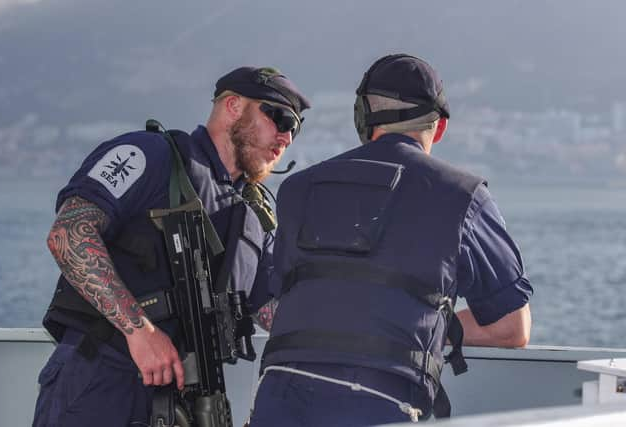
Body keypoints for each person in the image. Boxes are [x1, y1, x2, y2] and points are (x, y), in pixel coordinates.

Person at [248, 54, 533, 426]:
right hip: (379, 404)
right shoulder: (463, 196)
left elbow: (281, 303)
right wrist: (415, 328)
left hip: (277, 397)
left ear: (361, 119)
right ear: (441, 127)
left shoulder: (297, 189)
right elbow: (512, 327)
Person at [31, 66, 310, 427]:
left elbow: (272, 311)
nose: (287, 136)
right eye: (281, 118)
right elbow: (69, 233)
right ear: (233, 106)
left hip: (185, 402)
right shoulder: (149, 155)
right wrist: (140, 332)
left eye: (295, 129)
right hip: (101, 378)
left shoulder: (255, 214)